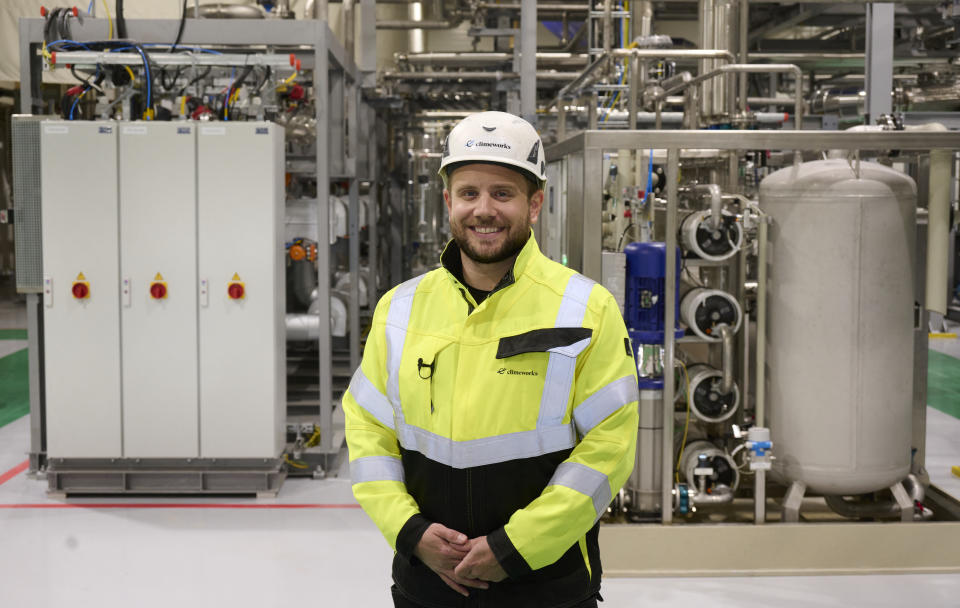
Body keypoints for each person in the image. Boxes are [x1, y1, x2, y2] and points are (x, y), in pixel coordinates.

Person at [343, 111, 639, 608]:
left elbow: (608, 447)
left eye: (502, 193)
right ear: (448, 202)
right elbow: (368, 430)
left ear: (535, 203)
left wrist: (514, 548)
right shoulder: (400, 308)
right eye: (469, 193)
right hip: (427, 583)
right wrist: (409, 531)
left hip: (546, 585)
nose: (484, 209)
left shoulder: (586, 308)